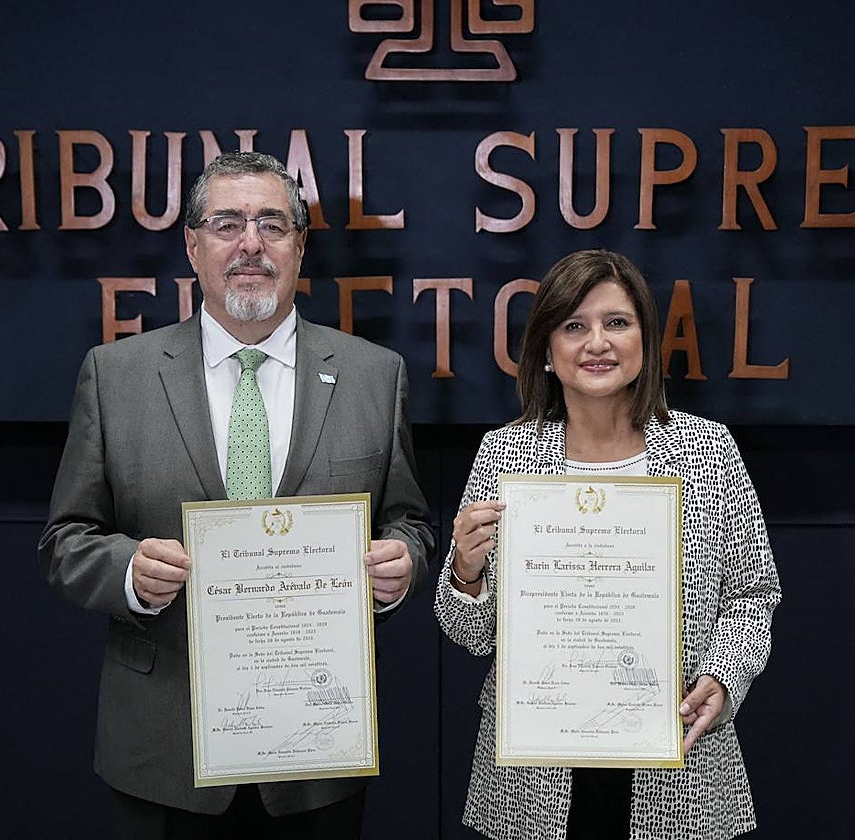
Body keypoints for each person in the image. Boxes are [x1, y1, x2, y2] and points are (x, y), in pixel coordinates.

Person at [39, 151, 433, 839]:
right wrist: (129, 573)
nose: (250, 243)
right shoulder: (114, 376)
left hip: (317, 754)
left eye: (272, 225)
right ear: (192, 245)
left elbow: (409, 518)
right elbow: (66, 540)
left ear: (300, 246)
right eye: (227, 223)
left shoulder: (376, 376)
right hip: (164, 750)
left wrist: (401, 563)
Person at [433, 249, 781, 840]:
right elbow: (470, 635)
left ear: (645, 340)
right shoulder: (505, 456)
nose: (598, 342)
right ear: (547, 350)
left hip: (677, 761)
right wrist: (466, 571)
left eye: (617, 323)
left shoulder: (706, 450)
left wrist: (724, 678)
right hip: (536, 773)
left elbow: (753, 592)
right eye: (575, 326)